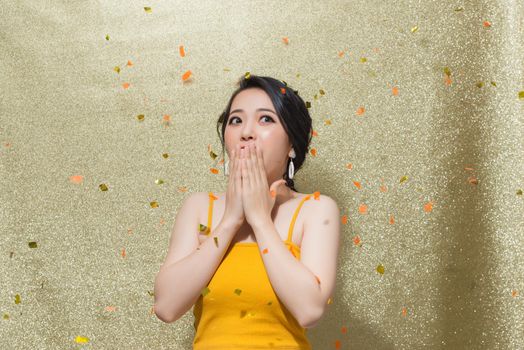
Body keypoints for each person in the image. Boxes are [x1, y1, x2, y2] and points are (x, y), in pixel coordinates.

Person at [153, 75, 341, 349]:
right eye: (236, 120)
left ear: (292, 145)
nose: (246, 132)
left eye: (266, 119)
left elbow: (309, 310)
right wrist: (230, 219)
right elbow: (166, 307)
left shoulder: (315, 209)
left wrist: (260, 220)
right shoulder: (198, 207)